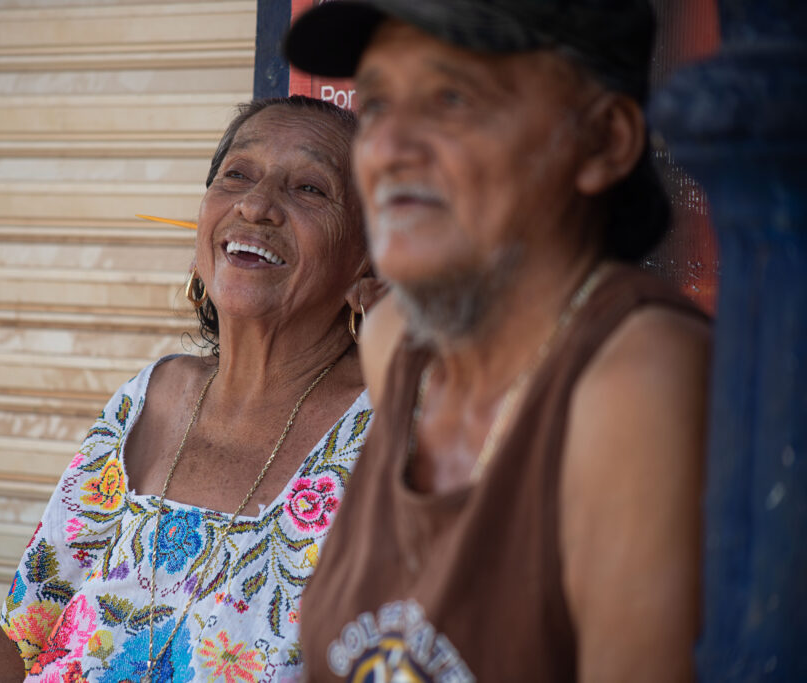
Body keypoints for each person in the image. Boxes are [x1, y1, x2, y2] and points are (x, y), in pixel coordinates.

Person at [0, 95, 381, 682]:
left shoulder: (398, 434)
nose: (255, 204)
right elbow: (31, 639)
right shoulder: (149, 397)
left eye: (310, 189)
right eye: (237, 175)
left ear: (367, 259)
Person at [285, 1, 712, 682]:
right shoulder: (397, 347)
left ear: (603, 141)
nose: (389, 147)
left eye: (452, 98)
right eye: (376, 105)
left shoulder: (636, 380)